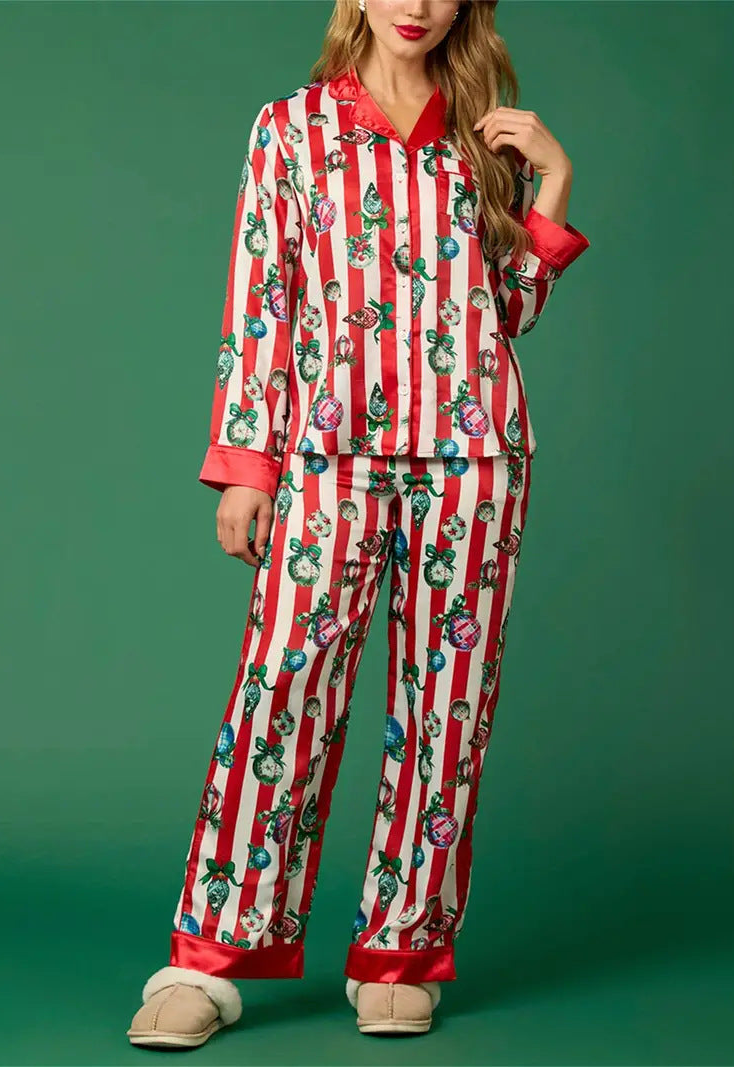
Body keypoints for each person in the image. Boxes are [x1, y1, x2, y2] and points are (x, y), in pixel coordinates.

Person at [127, 0, 590, 1049]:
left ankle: (401, 949)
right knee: (283, 686)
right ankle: (210, 958)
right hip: (328, 454)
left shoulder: (484, 133)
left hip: (474, 457)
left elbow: (506, 311)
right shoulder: (290, 128)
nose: (415, 6)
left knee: (447, 705)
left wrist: (552, 186)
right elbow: (262, 299)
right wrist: (247, 466)